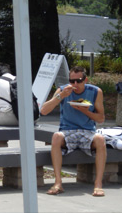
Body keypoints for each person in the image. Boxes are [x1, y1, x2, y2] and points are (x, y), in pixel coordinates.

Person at [40, 66, 106, 197]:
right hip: (67, 131)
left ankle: (98, 184)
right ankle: (58, 182)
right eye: (72, 81)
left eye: (79, 80)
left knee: (101, 140)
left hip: (87, 131)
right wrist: (60, 96)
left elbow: (101, 119)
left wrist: (85, 111)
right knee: (56, 137)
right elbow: (43, 111)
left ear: (85, 80)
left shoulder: (95, 91)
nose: (75, 84)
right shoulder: (63, 90)